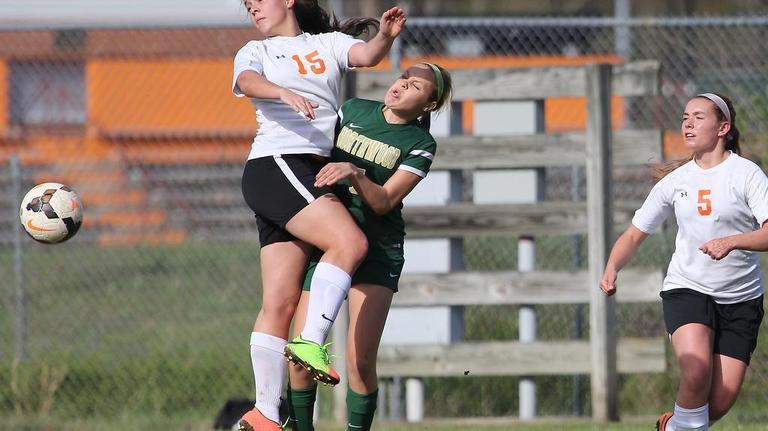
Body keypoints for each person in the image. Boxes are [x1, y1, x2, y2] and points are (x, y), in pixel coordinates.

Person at [232, 1, 406, 430]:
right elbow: (246, 81)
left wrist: (384, 35)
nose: (252, 6)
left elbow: (366, 56)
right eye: (247, 4)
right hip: (280, 164)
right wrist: (282, 92)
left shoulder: (327, 44)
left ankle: (267, 413)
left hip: (296, 171)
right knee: (350, 243)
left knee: (281, 300)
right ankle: (311, 342)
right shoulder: (256, 51)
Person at [285, 63, 452, 431]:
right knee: (300, 353)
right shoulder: (353, 109)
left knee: (359, 360)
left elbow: (383, 203)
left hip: (378, 249)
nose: (402, 85)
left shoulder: (421, 144)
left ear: (429, 104)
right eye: (403, 78)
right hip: (331, 241)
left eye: (415, 86)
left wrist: (355, 173)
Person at [599, 93, 767, 431]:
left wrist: (732, 242)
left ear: (723, 127)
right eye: (685, 117)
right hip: (687, 288)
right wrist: (612, 267)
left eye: (698, 117)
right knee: (695, 371)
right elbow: (633, 235)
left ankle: (672, 425)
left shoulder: (747, 175)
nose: (687, 124)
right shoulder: (675, 182)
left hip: (741, 299)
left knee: (717, 404)